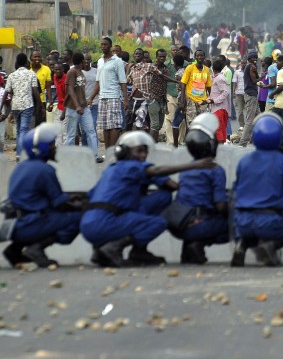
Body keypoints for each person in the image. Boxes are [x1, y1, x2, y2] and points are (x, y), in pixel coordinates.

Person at [80, 131, 215, 267]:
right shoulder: (131, 166)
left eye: (145, 152)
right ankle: (112, 248)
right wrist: (194, 166)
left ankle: (108, 252)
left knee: (162, 197)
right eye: (138, 151)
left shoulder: (112, 169)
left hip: (88, 224)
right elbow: (158, 173)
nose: (143, 155)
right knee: (159, 223)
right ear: (125, 152)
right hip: (105, 222)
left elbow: (169, 184)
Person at [230, 113, 283, 267]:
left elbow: (235, 193)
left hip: (242, 222)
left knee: (250, 227)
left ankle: (241, 244)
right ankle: (270, 245)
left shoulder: (244, 161)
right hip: (269, 221)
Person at [5, 124, 83, 267]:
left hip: (15, 224)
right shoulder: (45, 170)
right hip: (29, 224)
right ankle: (37, 248)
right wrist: (81, 205)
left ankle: (14, 250)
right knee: (77, 218)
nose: (55, 147)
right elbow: (59, 203)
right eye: (51, 145)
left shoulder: (22, 166)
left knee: (45, 214)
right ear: (41, 148)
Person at [163, 114, 228, 264]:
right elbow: (220, 205)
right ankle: (198, 244)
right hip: (198, 225)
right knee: (234, 221)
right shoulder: (216, 170)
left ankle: (188, 250)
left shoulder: (188, 168)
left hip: (177, 225)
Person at [87, 37, 128, 150]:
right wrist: (91, 97)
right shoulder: (100, 61)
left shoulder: (117, 61)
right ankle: (107, 150)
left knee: (114, 125)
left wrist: (125, 99)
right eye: (102, 45)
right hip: (102, 97)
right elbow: (98, 82)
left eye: (105, 44)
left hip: (114, 96)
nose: (103, 46)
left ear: (110, 46)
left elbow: (123, 81)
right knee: (105, 126)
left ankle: (112, 152)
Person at [1, 53, 41, 160]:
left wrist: (1, 108)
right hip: (27, 105)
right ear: (25, 62)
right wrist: (40, 105)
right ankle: (20, 154)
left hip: (15, 106)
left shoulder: (11, 75)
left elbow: (6, 93)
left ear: (18, 63)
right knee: (23, 129)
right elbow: (35, 91)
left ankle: (19, 153)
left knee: (19, 130)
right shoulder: (31, 74)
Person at [64, 53, 99, 161]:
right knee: (71, 134)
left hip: (84, 107)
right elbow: (70, 90)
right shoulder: (72, 72)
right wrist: (77, 106)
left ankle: (95, 155)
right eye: (84, 60)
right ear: (81, 61)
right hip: (74, 108)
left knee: (91, 131)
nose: (85, 62)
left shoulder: (80, 72)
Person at [180, 50, 212, 129]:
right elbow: (183, 84)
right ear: (195, 57)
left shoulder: (207, 70)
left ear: (204, 57)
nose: (200, 57)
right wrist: (182, 100)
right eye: (198, 56)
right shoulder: (190, 68)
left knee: (202, 123)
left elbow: (208, 86)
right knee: (192, 123)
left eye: (201, 55)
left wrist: (211, 98)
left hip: (203, 101)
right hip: (191, 99)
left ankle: (201, 141)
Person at [238, 51, 262, 146]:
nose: (255, 59)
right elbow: (254, 80)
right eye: (253, 57)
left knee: (259, 117)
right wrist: (262, 77)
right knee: (249, 120)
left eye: (256, 57)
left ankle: (255, 138)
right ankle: (243, 142)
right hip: (251, 95)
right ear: (249, 58)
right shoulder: (251, 66)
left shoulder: (251, 67)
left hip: (252, 95)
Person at [205, 59, 230, 143]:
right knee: (220, 130)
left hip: (219, 108)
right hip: (217, 108)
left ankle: (219, 151)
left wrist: (215, 101)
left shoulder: (219, 78)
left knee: (218, 130)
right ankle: (221, 151)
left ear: (212, 68)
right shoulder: (216, 78)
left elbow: (225, 92)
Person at [31, 50, 53, 125]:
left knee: (41, 124)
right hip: (29, 101)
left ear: (41, 58)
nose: (37, 59)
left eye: (39, 57)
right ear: (31, 58)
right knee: (31, 124)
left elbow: (48, 87)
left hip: (41, 101)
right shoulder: (28, 69)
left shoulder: (46, 69)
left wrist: (50, 101)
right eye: (35, 57)